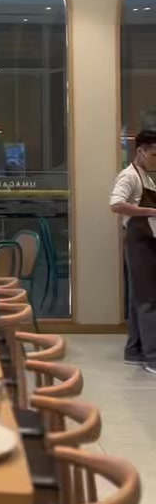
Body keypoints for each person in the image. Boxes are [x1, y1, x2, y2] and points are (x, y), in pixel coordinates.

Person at [110, 129, 156, 371]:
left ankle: (134, 350)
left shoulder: (146, 178)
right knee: (148, 299)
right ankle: (152, 357)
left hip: (147, 243)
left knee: (139, 298)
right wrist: (150, 211)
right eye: (154, 154)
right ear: (141, 151)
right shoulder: (129, 176)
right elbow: (116, 204)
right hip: (138, 243)